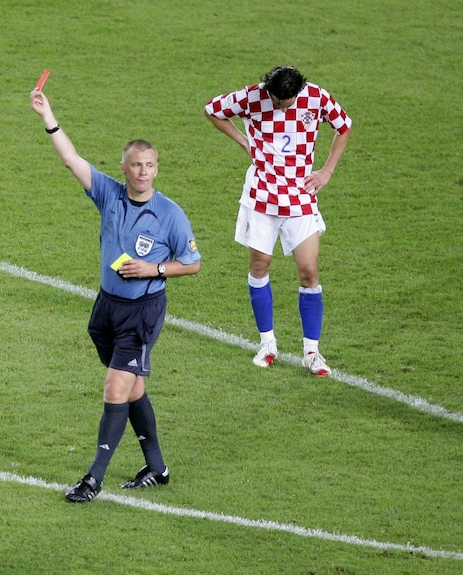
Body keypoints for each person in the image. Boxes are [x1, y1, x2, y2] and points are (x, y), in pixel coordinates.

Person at [30, 87, 201, 503]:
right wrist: (48, 115)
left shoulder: (170, 215)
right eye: (136, 165)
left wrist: (154, 268)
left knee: (115, 388)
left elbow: (192, 263)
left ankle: (93, 478)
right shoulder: (107, 192)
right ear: (123, 167)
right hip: (107, 309)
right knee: (133, 388)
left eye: (149, 166)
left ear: (157, 169)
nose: (143, 172)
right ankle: (157, 467)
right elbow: (70, 159)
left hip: (143, 312)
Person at [204, 66, 352, 376]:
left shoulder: (316, 97)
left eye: (288, 102)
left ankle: (312, 352)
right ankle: (267, 343)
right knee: (260, 265)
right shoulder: (252, 96)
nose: (282, 106)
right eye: (277, 100)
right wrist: (243, 140)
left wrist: (327, 171)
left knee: (309, 271)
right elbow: (213, 110)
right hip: (262, 194)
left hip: (300, 194)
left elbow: (344, 126)